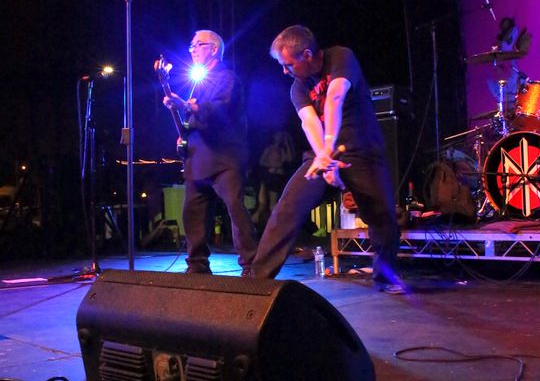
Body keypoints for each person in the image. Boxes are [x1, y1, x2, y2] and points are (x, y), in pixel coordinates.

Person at [249, 25, 408, 293]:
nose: (284, 71)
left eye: (288, 65)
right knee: (288, 206)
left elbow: (335, 97)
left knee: (382, 217)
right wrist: (324, 156)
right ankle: (257, 282)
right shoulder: (297, 88)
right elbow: (309, 122)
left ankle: (385, 277)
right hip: (322, 153)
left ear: (307, 55)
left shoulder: (341, 57)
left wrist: (329, 148)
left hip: (362, 152)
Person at [162, 29, 257, 275]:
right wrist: (183, 132)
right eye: (191, 46)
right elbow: (194, 119)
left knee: (235, 208)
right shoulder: (199, 81)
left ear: (214, 49)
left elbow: (217, 110)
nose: (192, 49)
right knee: (192, 213)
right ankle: (197, 265)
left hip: (224, 157)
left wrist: (186, 105)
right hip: (198, 158)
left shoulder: (226, 78)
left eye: (198, 45)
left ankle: (251, 264)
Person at [252, 129, 296, 229]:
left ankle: (273, 228)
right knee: (262, 204)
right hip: (267, 176)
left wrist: (287, 143)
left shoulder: (282, 150)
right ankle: (253, 226)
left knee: (272, 205)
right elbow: (262, 162)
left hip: (276, 178)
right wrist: (273, 166)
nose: (279, 138)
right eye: (278, 136)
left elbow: (289, 159)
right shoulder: (269, 148)